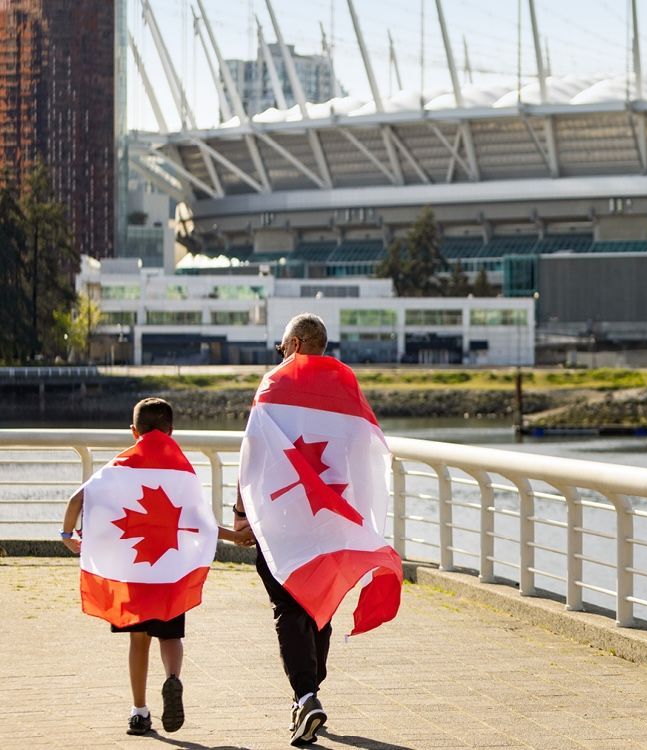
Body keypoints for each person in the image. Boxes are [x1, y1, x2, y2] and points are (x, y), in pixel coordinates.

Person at [234, 312, 404, 747]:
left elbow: (253, 452)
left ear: (292, 344)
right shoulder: (346, 385)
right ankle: (311, 690)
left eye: (281, 347)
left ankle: (306, 694)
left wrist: (241, 511)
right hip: (334, 515)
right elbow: (366, 447)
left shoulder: (274, 384)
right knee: (319, 604)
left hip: (284, 514)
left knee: (288, 606)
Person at [61, 397, 252, 736]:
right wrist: (235, 538)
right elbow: (201, 523)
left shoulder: (120, 468)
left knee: (139, 639)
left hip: (135, 570)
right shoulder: (181, 471)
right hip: (169, 569)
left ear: (134, 431)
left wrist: (67, 535)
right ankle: (173, 679)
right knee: (170, 634)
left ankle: (138, 711)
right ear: (171, 431)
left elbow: (77, 499)